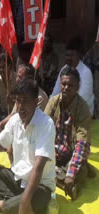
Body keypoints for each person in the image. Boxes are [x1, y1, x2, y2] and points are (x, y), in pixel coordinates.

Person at [0, 79, 56, 214]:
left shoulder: (46, 124)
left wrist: (25, 200)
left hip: (39, 185)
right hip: (17, 179)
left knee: (36, 199)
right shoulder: (15, 120)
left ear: (36, 102)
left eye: (25, 101)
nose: (20, 106)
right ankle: (16, 203)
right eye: (18, 101)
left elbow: (39, 166)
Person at [45, 67, 93, 200]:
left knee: (77, 170)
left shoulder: (83, 109)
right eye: (63, 84)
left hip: (70, 156)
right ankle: (62, 180)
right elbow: (42, 131)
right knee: (34, 164)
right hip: (53, 155)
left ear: (77, 87)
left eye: (70, 85)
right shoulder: (53, 102)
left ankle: (65, 178)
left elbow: (81, 145)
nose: (66, 88)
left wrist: (71, 174)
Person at [0, 64, 49, 132]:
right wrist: (1, 124)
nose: (17, 80)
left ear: (30, 79)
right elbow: (14, 114)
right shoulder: (21, 94)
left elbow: (30, 120)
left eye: (20, 77)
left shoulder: (40, 97)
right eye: (17, 76)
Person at [51, 37, 94, 116]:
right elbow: (55, 93)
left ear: (79, 56)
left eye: (72, 55)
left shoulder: (86, 72)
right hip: (63, 113)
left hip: (82, 115)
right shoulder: (64, 69)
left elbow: (82, 100)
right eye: (67, 55)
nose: (68, 58)